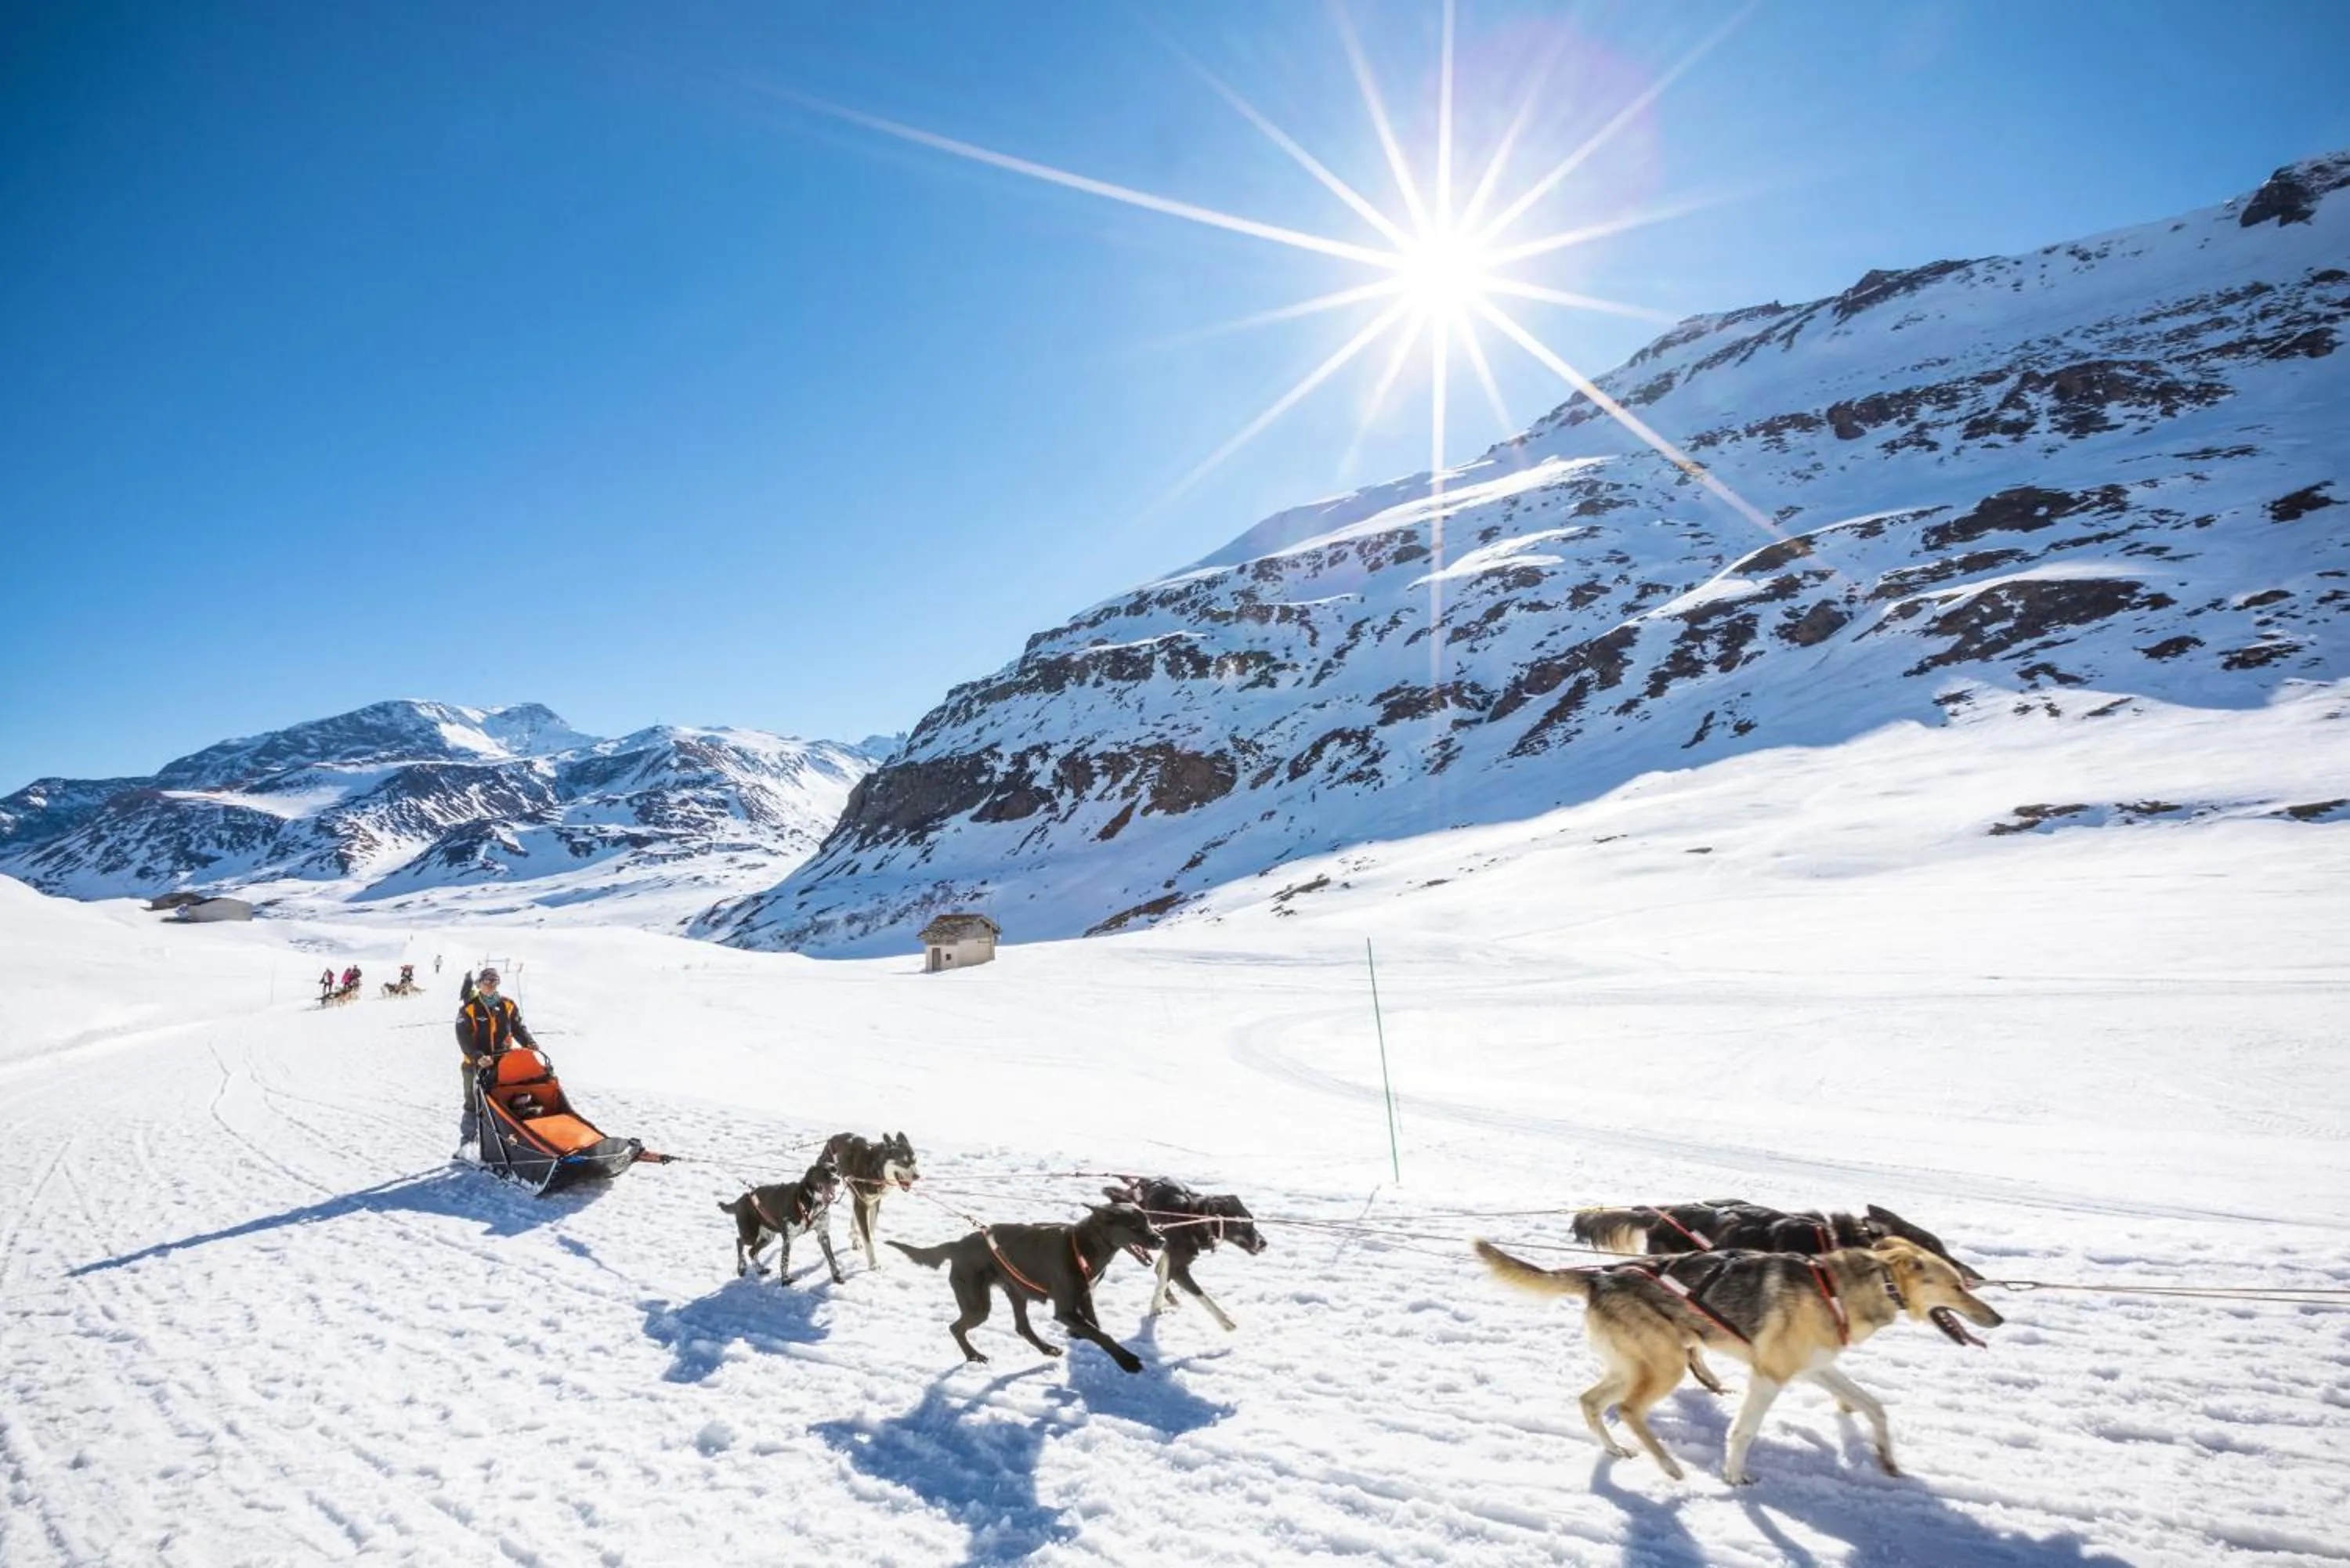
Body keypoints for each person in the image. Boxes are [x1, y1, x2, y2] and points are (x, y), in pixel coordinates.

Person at [453, 966, 537, 1155]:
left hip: (503, 1063)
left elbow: (517, 1028)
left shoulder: (507, 1005)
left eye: (494, 982)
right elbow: (463, 1037)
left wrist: (529, 1042)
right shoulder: (470, 1008)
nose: (490, 986)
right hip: (475, 1065)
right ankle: (467, 1145)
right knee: (473, 1104)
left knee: (505, 1101)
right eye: (487, 982)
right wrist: (478, 1057)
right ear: (480, 984)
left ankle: (510, 1143)